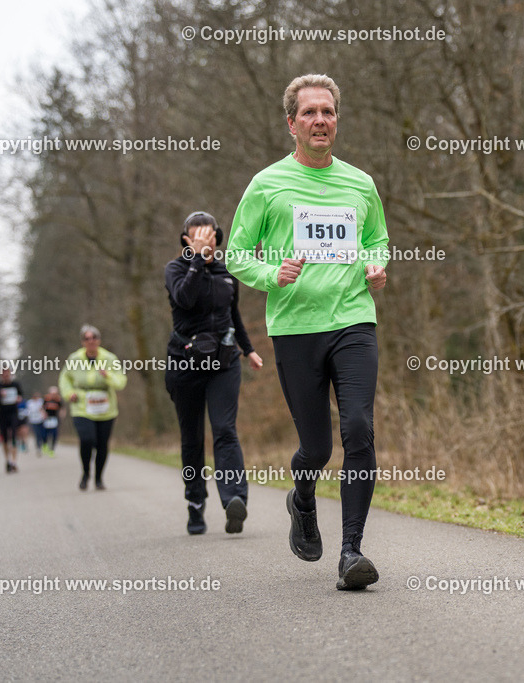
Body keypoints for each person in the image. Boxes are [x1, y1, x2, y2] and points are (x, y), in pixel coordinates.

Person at [226, 74, 389, 590]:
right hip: (296, 328)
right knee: (315, 448)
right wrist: (272, 275)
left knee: (359, 429)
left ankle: (351, 551)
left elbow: (377, 239)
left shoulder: (360, 183)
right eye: (310, 113)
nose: (320, 120)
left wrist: (375, 266)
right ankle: (302, 498)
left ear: (336, 120)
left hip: (353, 321)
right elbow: (235, 255)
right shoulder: (267, 184)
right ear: (291, 124)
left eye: (328, 112)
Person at [165, 210, 264, 535]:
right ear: (186, 240)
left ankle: (234, 498)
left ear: (218, 239)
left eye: (210, 237)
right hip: (185, 364)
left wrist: (248, 349)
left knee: (224, 429)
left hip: (225, 362)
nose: (206, 242)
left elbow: (232, 314)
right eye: (198, 237)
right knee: (192, 438)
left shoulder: (226, 272)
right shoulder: (176, 269)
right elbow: (185, 297)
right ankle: (195, 504)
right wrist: (196, 260)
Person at [58, 325, 127, 490]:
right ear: (82, 342)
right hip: (81, 406)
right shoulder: (74, 359)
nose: (91, 341)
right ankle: (86, 472)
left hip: (106, 408)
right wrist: (69, 393)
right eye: (87, 338)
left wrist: (108, 375)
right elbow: (64, 379)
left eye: (94, 338)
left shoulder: (109, 358)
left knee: (102, 444)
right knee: (87, 439)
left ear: (99, 340)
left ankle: (98, 478)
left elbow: (121, 382)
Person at [0, 369, 24, 472]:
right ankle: (7, 460)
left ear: (11, 374)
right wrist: (0, 396)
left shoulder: (16, 385)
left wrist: (19, 399)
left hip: (13, 414)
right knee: (4, 439)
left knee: (13, 437)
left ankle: (14, 462)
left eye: (8, 374)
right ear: (0, 375)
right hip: (2, 415)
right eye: (4, 374)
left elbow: (21, 395)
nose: (6, 376)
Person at [41, 386, 63, 456]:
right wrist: (43, 414)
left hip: (54, 419)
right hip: (47, 419)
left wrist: (61, 414)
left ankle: (52, 450)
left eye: (55, 393)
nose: (54, 395)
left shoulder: (58, 400)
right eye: (52, 393)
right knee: (45, 434)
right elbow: (41, 408)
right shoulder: (46, 398)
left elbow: (62, 408)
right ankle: (45, 444)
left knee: (54, 434)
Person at [26, 392, 46, 456]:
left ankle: (44, 444)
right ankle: (38, 447)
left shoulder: (41, 401)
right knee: (37, 434)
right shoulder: (29, 403)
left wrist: (43, 411)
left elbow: (45, 409)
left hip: (41, 420)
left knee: (43, 433)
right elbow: (28, 411)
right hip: (33, 420)